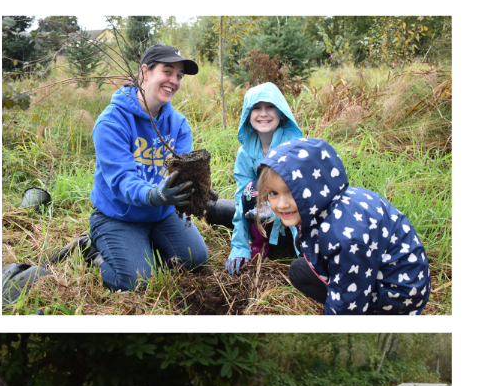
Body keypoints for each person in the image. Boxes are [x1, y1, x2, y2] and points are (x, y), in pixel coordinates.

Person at [89, 45, 216, 291]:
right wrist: (153, 195)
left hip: (162, 214)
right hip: (118, 215)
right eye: (167, 71)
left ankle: (143, 247)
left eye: (179, 75)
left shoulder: (178, 124)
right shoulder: (112, 122)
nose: (174, 81)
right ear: (145, 72)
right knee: (138, 283)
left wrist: (198, 196)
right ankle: (94, 253)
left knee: (196, 259)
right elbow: (121, 180)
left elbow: (182, 176)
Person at [256, 137, 429, 314]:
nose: (282, 204)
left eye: (292, 192)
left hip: (398, 294)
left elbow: (347, 306)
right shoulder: (332, 197)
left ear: (314, 185)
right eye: (273, 193)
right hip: (383, 270)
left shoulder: (345, 239)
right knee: (299, 270)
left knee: (344, 303)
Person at [223, 82, 302, 274]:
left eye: (270, 107)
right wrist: (240, 246)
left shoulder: (294, 147)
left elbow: (305, 195)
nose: (264, 113)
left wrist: (304, 249)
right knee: (252, 188)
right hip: (263, 220)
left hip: (294, 220)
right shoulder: (245, 153)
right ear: (247, 116)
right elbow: (242, 198)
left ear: (281, 112)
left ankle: (303, 248)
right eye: (256, 108)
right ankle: (259, 243)